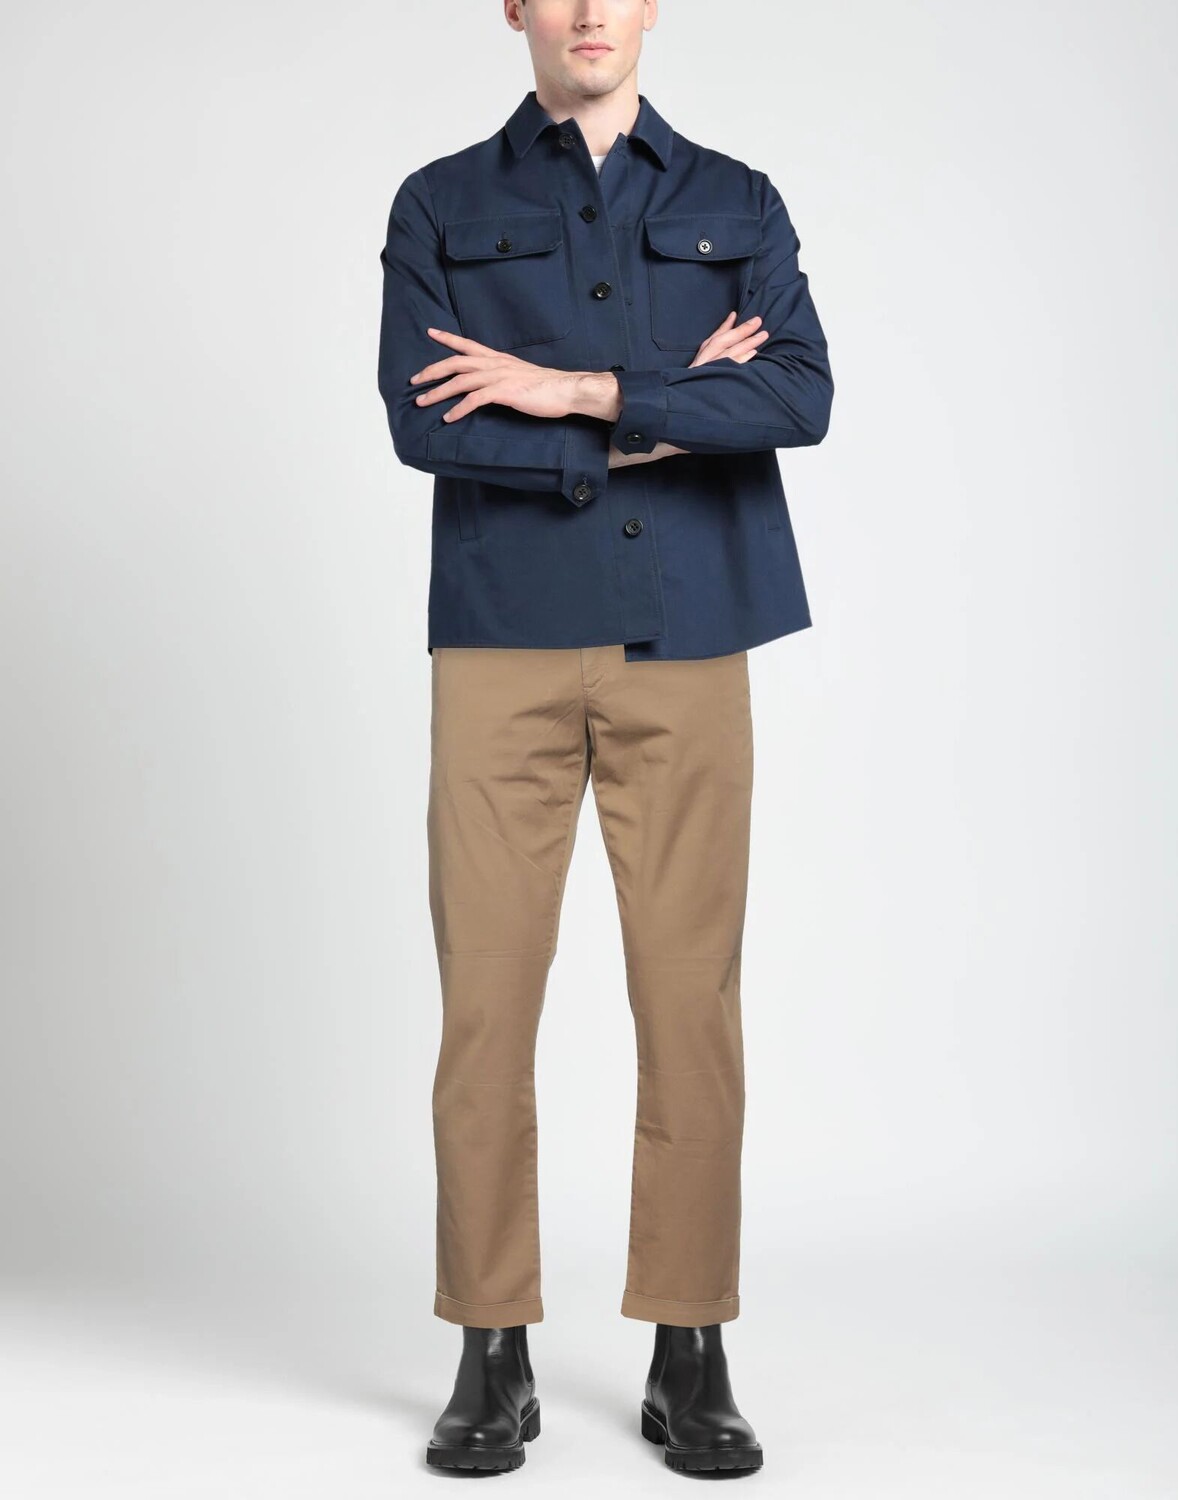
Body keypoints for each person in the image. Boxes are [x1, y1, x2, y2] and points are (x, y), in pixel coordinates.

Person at [376, 0, 833, 1476]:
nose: (589, 11)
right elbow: (427, 421)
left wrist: (572, 390)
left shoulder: (737, 199)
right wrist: (679, 405)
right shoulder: (440, 202)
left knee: (691, 999)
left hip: (690, 630)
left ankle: (689, 1347)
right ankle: (488, 1348)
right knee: (485, 1000)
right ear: (512, 5)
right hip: (500, 634)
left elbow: (798, 395)